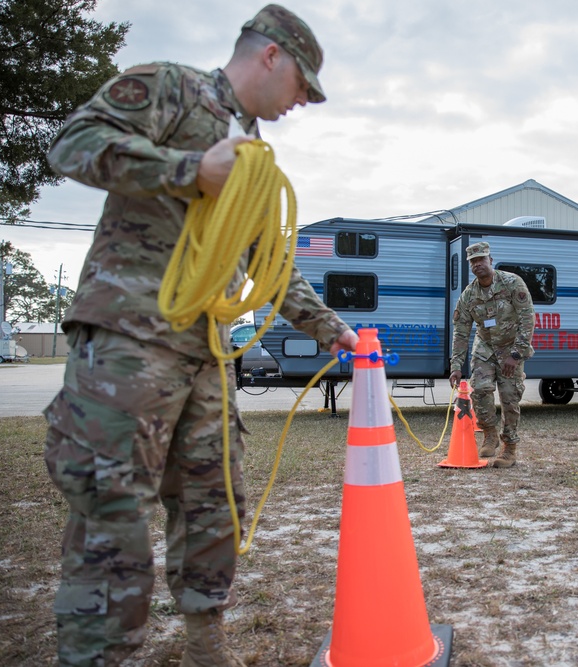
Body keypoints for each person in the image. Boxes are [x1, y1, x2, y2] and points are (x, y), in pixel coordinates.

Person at [41, 6, 358, 666]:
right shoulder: (173, 87)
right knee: (112, 507)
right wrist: (189, 170)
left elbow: (269, 260)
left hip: (205, 354)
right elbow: (72, 141)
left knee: (216, 506)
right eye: (303, 83)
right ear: (270, 55)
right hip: (129, 340)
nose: (303, 100)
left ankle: (204, 643)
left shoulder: (252, 154)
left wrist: (333, 331)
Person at [449, 242, 535, 468]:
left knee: (509, 397)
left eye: (481, 259)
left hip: (510, 346)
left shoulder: (511, 283)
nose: (478, 264)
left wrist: (516, 354)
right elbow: (461, 330)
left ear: (490, 260)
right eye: (473, 261)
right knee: (480, 389)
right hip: (485, 346)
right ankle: (489, 433)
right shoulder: (469, 295)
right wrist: (456, 365)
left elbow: (528, 318)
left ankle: (510, 448)